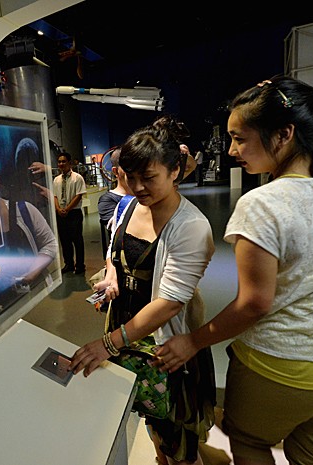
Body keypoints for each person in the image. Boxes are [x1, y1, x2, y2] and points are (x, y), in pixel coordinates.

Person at [155, 76, 313, 465]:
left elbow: (255, 303)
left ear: (284, 134)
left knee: (247, 441)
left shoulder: (263, 203)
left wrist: (193, 341)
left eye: (240, 138)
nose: (231, 151)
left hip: (288, 366)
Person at [69, 117, 216, 465]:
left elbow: (167, 305)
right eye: (129, 177)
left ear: (175, 171)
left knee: (176, 435)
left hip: (162, 345)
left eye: (148, 178)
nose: (138, 187)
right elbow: (113, 252)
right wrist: (111, 276)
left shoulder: (191, 227)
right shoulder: (128, 205)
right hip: (126, 332)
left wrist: (107, 344)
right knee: (151, 418)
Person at [53, 151, 87, 274]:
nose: (61, 164)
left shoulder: (77, 178)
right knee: (65, 241)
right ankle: (69, 264)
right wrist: (58, 209)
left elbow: (78, 195)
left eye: (64, 161)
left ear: (69, 163)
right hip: (61, 214)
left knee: (77, 240)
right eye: (59, 162)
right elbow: (55, 196)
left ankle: (79, 265)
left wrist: (67, 209)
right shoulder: (56, 180)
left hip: (74, 213)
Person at [97, 147, 133, 258]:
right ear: (115, 171)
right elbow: (120, 229)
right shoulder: (107, 200)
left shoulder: (145, 194)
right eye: (126, 166)